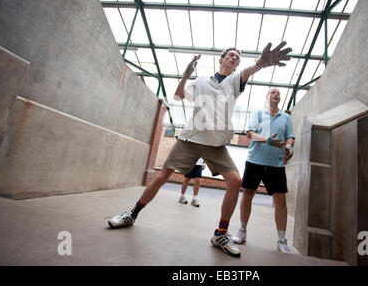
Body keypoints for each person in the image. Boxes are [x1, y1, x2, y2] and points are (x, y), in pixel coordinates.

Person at [107, 42, 292, 257]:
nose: (234, 59)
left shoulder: (234, 81)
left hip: (215, 144)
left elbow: (249, 70)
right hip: (191, 138)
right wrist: (186, 75)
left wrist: (261, 63)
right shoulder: (202, 80)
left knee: (234, 181)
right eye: (230, 55)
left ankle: (220, 234)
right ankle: (132, 213)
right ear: (221, 59)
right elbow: (178, 96)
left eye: (237, 59)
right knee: (163, 175)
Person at [232, 87, 295, 254]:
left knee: (280, 199)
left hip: (276, 164)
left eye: (278, 93)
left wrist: (289, 146)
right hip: (255, 161)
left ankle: (282, 240)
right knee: (248, 194)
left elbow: (290, 136)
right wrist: (266, 140)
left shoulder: (286, 117)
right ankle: (242, 231)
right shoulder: (258, 114)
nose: (276, 94)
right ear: (267, 96)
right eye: (273, 92)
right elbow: (250, 134)